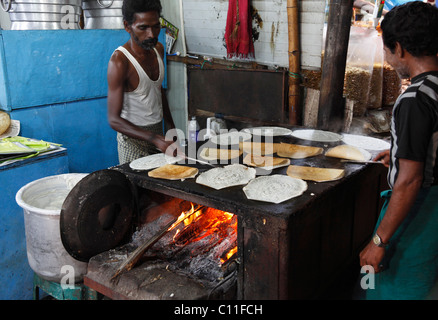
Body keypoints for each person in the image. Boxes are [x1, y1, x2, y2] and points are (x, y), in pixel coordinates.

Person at [359, 1, 438, 299]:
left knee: (390, 284)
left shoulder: (415, 98)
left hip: (420, 210)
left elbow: (410, 181)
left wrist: (378, 242)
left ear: (400, 48)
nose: (388, 58)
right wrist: (398, 155)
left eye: (387, 50)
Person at [107, 0, 177, 164]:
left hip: (158, 134)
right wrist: (155, 139)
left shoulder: (158, 49)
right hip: (133, 142)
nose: (151, 34)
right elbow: (113, 119)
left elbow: (158, 91)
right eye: (143, 28)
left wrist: (171, 127)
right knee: (137, 188)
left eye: (155, 26)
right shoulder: (119, 62)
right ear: (127, 26)